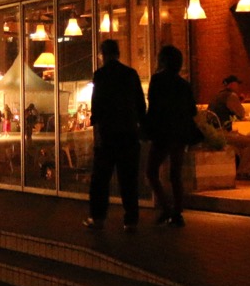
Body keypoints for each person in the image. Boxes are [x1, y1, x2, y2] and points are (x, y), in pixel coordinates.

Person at [84, 38, 147, 232]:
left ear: (103, 54)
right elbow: (140, 105)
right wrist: (140, 128)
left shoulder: (101, 75)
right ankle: (131, 220)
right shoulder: (131, 74)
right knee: (129, 179)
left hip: (108, 134)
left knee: (100, 180)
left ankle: (98, 218)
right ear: (118, 53)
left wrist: (97, 133)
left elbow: (97, 107)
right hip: (129, 133)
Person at [145, 45, 195, 227]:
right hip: (180, 133)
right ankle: (177, 212)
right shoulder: (184, 84)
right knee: (176, 173)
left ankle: (166, 207)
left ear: (163, 60)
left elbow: (153, 107)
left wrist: (147, 128)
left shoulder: (157, 80)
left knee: (151, 171)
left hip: (162, 132)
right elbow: (192, 110)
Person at [208, 75, 250, 178]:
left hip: (213, 132)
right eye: (237, 84)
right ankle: (244, 172)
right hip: (222, 133)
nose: (238, 87)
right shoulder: (231, 96)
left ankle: (240, 170)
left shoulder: (217, 96)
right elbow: (241, 114)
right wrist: (240, 101)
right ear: (232, 84)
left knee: (241, 144)